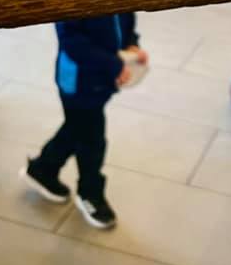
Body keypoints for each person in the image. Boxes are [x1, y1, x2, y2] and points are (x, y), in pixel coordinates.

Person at [21, 13, 148, 229]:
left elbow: (126, 17)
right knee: (92, 140)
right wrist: (114, 65)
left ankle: (43, 169)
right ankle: (90, 193)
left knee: (77, 129)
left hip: (101, 79)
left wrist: (131, 44)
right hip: (77, 81)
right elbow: (72, 41)